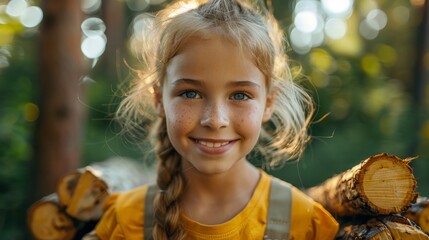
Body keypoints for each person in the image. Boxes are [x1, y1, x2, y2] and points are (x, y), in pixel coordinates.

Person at [93, 0, 339, 239]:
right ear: (159, 99)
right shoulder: (125, 221)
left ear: (269, 103)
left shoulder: (304, 224)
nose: (215, 120)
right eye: (191, 93)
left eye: (240, 95)